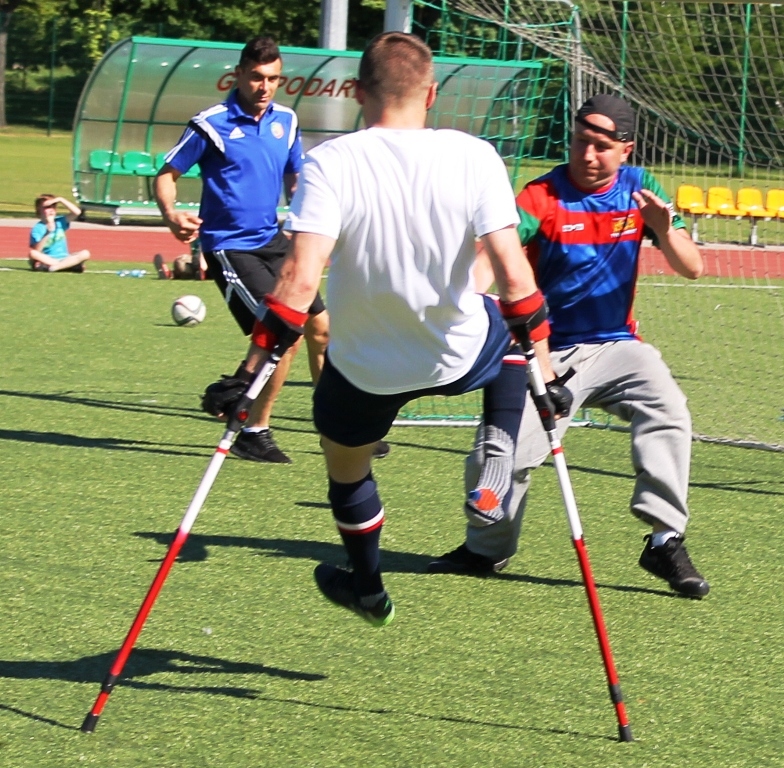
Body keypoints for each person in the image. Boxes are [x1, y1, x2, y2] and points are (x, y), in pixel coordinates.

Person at [202, 32, 569, 627]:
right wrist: (546, 375)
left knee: (346, 468)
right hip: (458, 354)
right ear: (432, 94)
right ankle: (498, 457)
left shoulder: (330, 161)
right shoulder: (475, 155)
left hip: (364, 368)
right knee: (507, 339)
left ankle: (368, 586)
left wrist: (248, 377)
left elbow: (298, 282)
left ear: (356, 92)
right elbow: (514, 277)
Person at [429, 93, 710, 599]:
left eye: (601, 146)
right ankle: (487, 549)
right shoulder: (542, 195)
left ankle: (664, 539)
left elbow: (692, 267)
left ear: (625, 149)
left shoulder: (641, 187)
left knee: (670, 409)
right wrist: (466, 296)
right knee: (504, 457)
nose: (587, 155)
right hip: (546, 352)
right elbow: (493, 254)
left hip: (617, 347)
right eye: (581, 141)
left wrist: (664, 229)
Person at [153, 35, 343, 464]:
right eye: (257, 77)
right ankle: (253, 431)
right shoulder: (210, 123)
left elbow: (295, 176)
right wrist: (171, 214)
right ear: (238, 74)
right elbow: (166, 174)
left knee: (322, 328)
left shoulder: (286, 120)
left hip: (274, 240)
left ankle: (335, 426)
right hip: (230, 247)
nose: (265, 86)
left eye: (273, 78)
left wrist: (309, 215)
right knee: (283, 333)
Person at [28, 194, 90, 273]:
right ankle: (67, 266)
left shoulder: (60, 221)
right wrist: (48, 232)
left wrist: (60, 199)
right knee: (32, 254)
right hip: (49, 259)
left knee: (85, 253)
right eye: (47, 207)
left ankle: (55, 267)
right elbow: (37, 250)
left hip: (65, 258)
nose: (51, 210)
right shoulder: (38, 228)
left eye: (53, 206)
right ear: (39, 210)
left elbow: (77, 212)